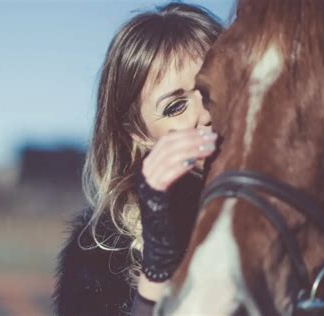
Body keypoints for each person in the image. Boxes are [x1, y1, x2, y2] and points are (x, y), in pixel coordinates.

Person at [53, 2, 223, 315]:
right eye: (175, 106)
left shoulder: (302, 211)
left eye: (215, 89)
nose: (205, 114)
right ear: (138, 133)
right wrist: (157, 267)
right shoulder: (100, 252)